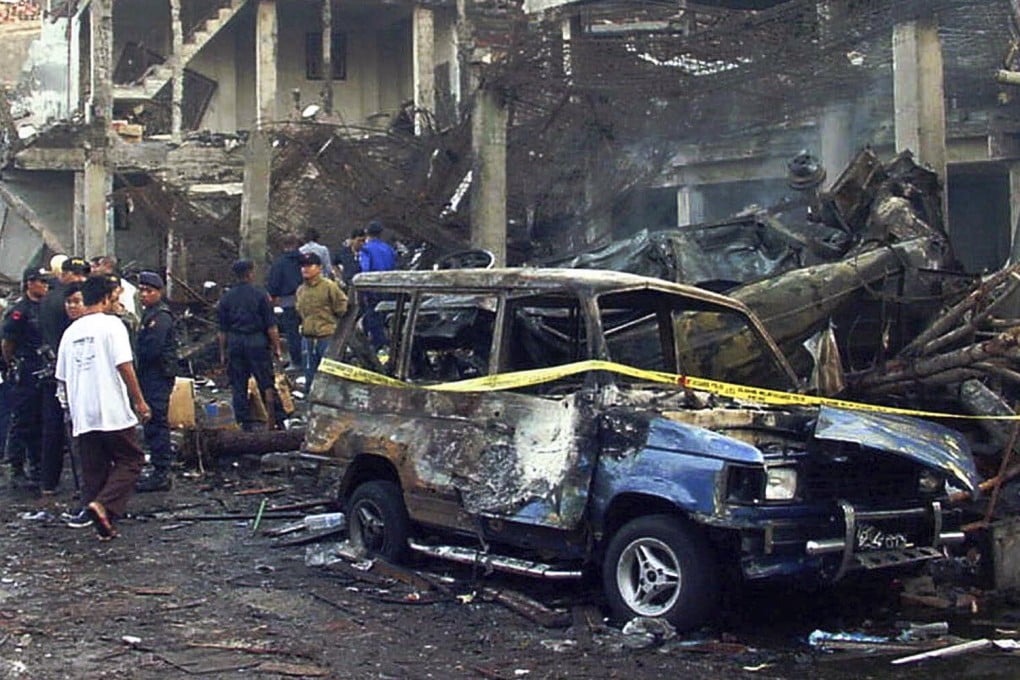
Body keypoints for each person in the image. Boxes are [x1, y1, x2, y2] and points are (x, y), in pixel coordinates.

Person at [56, 275, 150, 540]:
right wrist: (139, 400)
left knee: (94, 470)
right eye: (115, 298)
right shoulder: (112, 325)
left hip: (82, 412)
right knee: (131, 460)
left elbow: (61, 378)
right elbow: (124, 365)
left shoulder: (71, 331)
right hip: (111, 408)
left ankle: (104, 524)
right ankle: (104, 505)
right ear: (107, 298)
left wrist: (69, 408)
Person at [37, 256, 90, 495]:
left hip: (51, 369)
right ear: (64, 274)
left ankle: (49, 480)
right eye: (77, 275)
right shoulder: (72, 302)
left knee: (52, 428)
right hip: (72, 371)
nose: (81, 280)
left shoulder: (47, 299)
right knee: (76, 429)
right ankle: (84, 485)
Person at [216, 260, 285, 431]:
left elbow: (222, 330)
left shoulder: (226, 298)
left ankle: (244, 422)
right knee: (265, 381)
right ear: (250, 274)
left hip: (235, 343)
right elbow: (271, 326)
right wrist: (277, 348)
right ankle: (276, 418)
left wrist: (223, 352)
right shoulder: (260, 295)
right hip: (256, 342)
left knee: (238, 383)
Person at [1, 267, 49, 490]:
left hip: (43, 368)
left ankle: (37, 464)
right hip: (26, 368)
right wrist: (12, 364)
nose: (45, 286)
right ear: (30, 283)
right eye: (41, 282)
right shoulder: (20, 311)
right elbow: (8, 343)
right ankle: (16, 465)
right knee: (22, 419)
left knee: (40, 419)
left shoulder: (46, 308)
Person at [134, 272, 177, 493]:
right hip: (151, 375)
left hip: (157, 376)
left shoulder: (160, 317)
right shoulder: (149, 314)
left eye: (149, 291)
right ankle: (158, 469)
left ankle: (161, 472)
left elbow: (152, 349)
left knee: (156, 421)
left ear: (159, 292)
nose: (144, 295)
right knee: (151, 423)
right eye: (141, 290)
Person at [295, 252, 348, 389]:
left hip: (326, 337)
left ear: (319, 267)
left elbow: (342, 307)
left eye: (309, 265)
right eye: (303, 266)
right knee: (309, 375)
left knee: (327, 377)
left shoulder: (329, 287)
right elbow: (300, 312)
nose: (305, 269)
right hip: (307, 339)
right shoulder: (301, 290)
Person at [358, 220, 398, 350]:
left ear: (366, 233)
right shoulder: (389, 249)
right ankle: (391, 345)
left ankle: (378, 347)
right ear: (381, 234)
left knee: (373, 319)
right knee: (388, 317)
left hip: (373, 289)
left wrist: (362, 289)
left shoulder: (365, 249)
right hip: (390, 287)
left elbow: (365, 270)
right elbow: (393, 267)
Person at [266, 234, 305, 367]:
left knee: (292, 332)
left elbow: (273, 284)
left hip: (288, 301)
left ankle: (298, 361)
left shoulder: (279, 263)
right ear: (297, 244)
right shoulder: (305, 260)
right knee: (311, 330)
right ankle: (312, 359)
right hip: (308, 299)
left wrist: (273, 296)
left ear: (283, 246)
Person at [90, 255, 139, 319]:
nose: (95, 269)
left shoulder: (124, 286)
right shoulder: (98, 283)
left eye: (99, 265)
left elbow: (129, 308)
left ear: (107, 266)